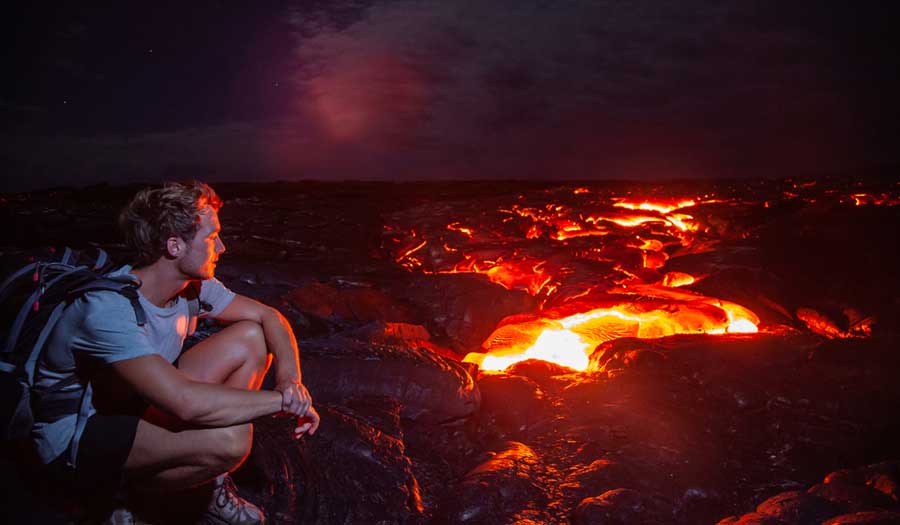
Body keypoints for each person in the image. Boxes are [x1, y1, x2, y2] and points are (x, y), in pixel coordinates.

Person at [30, 181, 319, 525]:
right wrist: (283, 403)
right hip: (79, 432)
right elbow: (184, 402)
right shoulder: (107, 309)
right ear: (174, 246)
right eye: (212, 238)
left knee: (251, 337)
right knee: (232, 439)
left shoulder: (192, 287)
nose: (222, 248)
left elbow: (268, 316)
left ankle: (205, 482)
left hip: (136, 398)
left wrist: (291, 382)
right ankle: (123, 500)